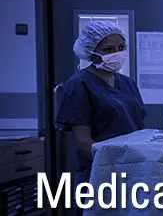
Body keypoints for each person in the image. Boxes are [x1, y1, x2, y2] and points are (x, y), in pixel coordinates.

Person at [57, 20, 146, 164]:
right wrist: (106, 165)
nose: (116, 53)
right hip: (101, 168)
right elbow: (82, 140)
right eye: (108, 50)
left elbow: (139, 127)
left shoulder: (127, 83)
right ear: (91, 52)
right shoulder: (79, 83)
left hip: (132, 164)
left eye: (121, 47)